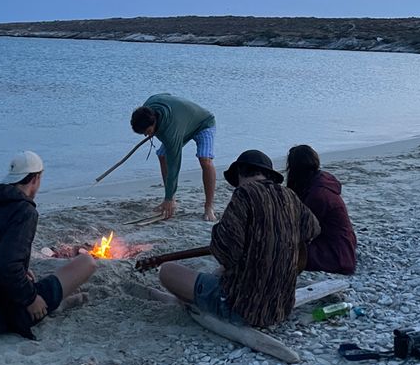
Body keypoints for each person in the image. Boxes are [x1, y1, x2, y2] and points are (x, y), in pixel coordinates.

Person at [158, 149, 320, 327]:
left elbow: (226, 252)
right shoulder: (290, 196)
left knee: (167, 271)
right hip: (280, 307)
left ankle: (203, 304)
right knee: (220, 272)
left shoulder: (244, 195)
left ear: (240, 173)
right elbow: (312, 229)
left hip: (242, 308)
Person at [0, 151, 96, 338]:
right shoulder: (24, 211)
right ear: (35, 179)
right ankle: (56, 305)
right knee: (87, 262)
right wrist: (30, 299)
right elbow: (7, 267)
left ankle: (56, 301)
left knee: (27, 276)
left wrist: (21, 274)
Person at [130, 92, 217, 221]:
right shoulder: (149, 104)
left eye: (148, 132)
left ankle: (209, 207)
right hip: (184, 125)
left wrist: (168, 197)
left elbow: (174, 166)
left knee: (205, 160)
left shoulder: (171, 133)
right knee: (162, 155)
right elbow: (166, 94)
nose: (147, 136)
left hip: (204, 124)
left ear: (154, 121)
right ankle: (171, 200)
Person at [285, 144, 357, 275]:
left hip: (336, 255)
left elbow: (303, 230)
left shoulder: (318, 194)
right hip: (340, 246)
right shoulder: (318, 182)